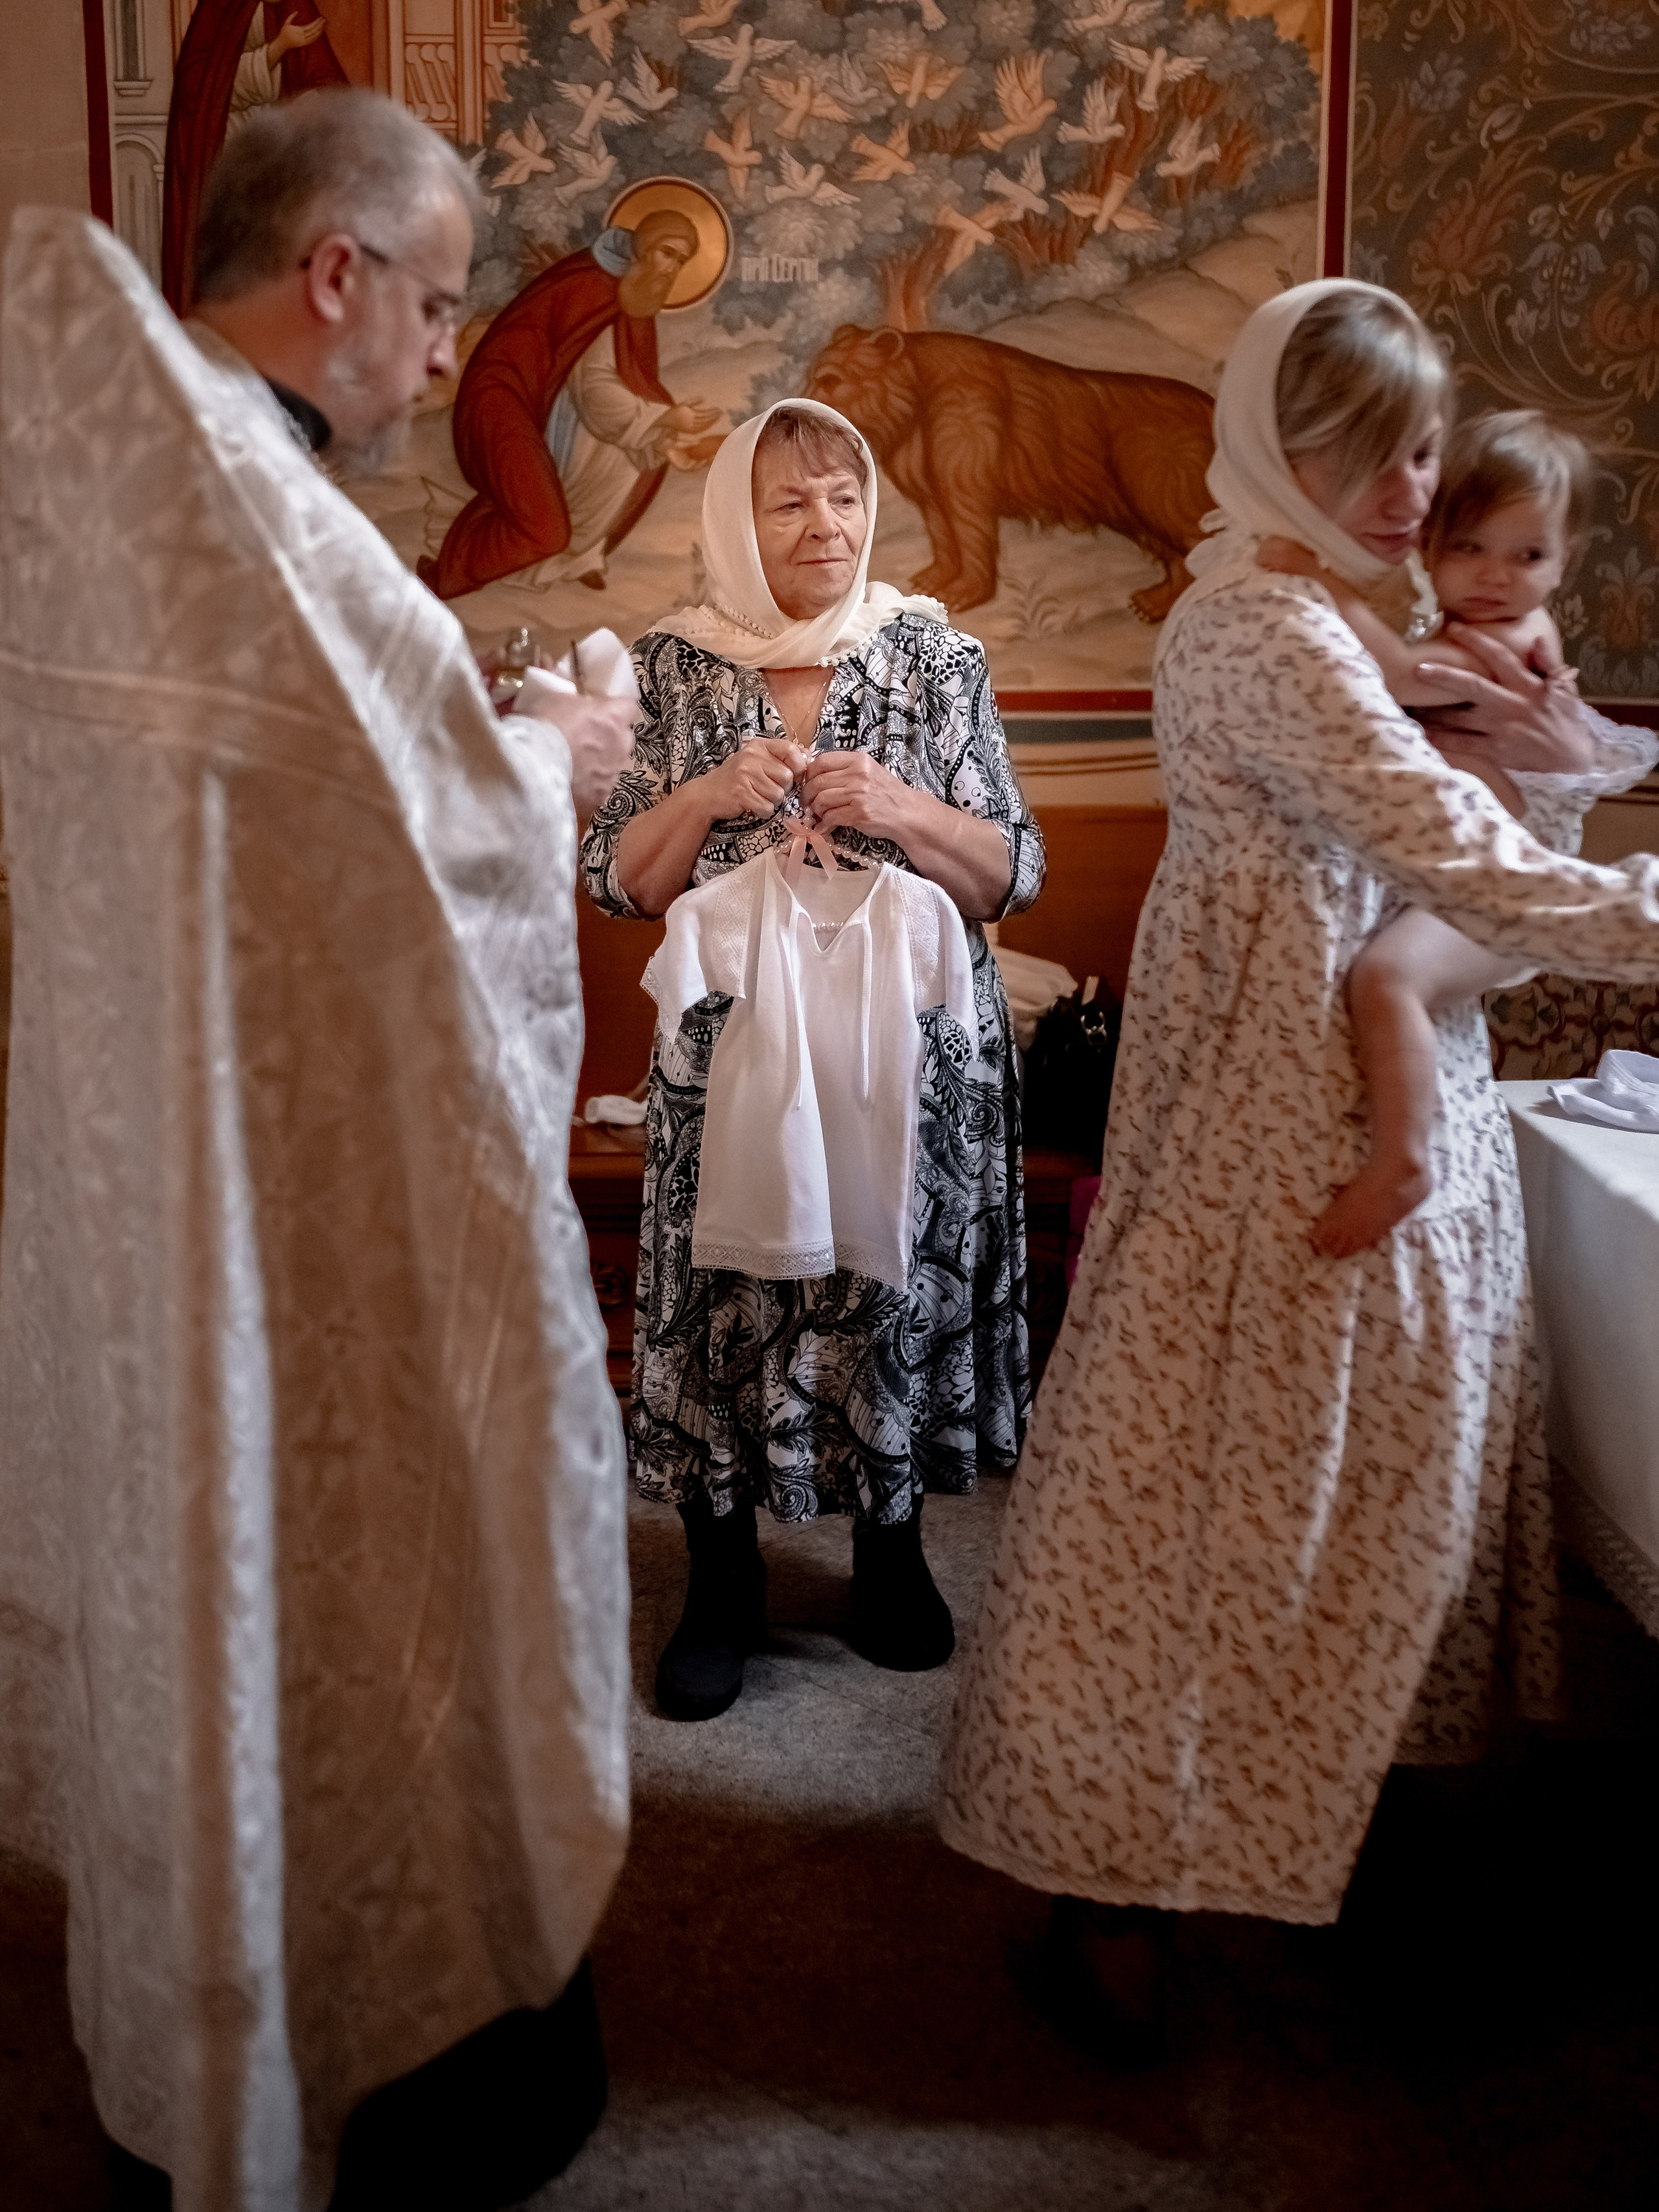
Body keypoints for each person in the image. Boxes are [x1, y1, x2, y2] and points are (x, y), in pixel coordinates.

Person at [0, 91, 638, 2212]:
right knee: (370, 1584)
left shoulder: (140, 457)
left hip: (168, 1164)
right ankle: (382, 2037)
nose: (450, 356)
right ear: (334, 271)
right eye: (440, 300)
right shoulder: (236, 485)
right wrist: (561, 746)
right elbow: (442, 847)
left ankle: (197, 2027)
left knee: (219, 1581)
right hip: (302, 1219)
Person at [938, 279, 1659, 2059]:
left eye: (1423, 441)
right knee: (1213, 1510)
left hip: (1371, 1103)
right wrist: (1634, 889)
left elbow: (1481, 843)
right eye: (1366, 444)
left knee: (1357, 1501)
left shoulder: (1349, 610)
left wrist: (1550, 772)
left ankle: (1323, 1833)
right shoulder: (1271, 627)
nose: (1411, 481)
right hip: (1279, 1132)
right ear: (1280, 441)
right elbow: (1456, 856)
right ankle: (1118, 1888)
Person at [581, 399, 1045, 1722]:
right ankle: (719, 1581)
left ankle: (887, 1556)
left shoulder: (934, 657)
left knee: (882, 1287)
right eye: (788, 502)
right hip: (729, 1059)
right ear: (736, 517)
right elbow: (614, 876)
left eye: (842, 494)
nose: (824, 524)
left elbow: (1013, 869)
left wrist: (901, 808)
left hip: (907, 1055)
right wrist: (701, 796)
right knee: (729, 1296)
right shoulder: (673, 667)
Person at [1257, 411, 1640, 1256]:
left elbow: (1397, 675)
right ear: (1430, 547)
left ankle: (1404, 1159)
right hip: (1465, 882)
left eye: (1528, 555)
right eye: (1471, 547)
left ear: (1565, 559)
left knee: (1388, 975)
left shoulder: (1512, 639)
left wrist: (1312, 579)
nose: (1498, 576)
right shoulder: (1462, 633)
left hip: (1507, 891)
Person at [419, 213, 724, 601]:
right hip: (505, 396)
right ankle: (441, 583)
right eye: (668, 253)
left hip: (551, 408)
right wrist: (665, 417)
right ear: (646, 247)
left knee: (616, 463)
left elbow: (621, 385)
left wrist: (665, 445)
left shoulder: (633, 294)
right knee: (545, 527)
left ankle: (576, 557)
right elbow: (595, 389)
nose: (672, 269)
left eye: (681, 262)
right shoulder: (593, 286)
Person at [162, 0, 352, 312]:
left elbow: (324, 79)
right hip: (229, 150)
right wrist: (278, 48)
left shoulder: (295, 6)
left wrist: (315, 108)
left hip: (283, 157)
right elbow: (198, 88)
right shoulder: (219, 9)